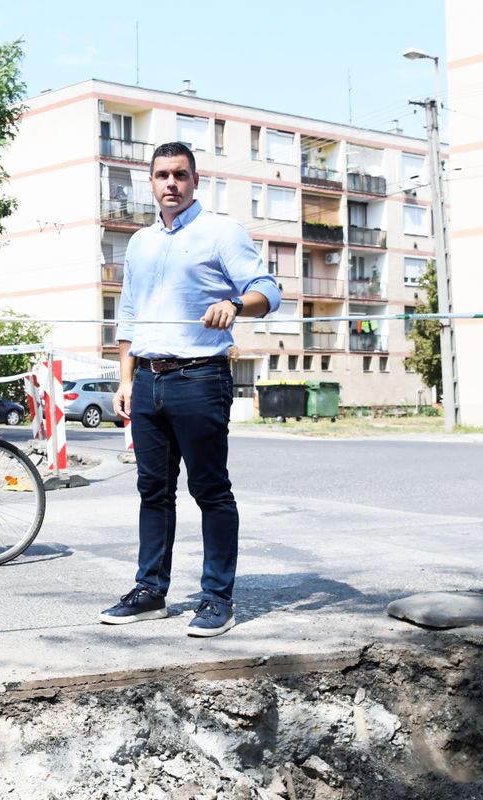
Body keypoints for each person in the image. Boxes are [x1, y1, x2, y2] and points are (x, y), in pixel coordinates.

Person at [99, 142, 281, 637]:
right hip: (148, 381)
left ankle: (217, 598)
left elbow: (270, 290)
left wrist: (237, 305)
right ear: (151, 182)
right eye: (162, 175)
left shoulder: (221, 232)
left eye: (180, 174)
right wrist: (125, 380)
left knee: (210, 490)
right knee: (152, 491)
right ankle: (150, 591)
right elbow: (129, 315)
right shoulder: (139, 242)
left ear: (195, 180)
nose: (171, 184)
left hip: (200, 377)